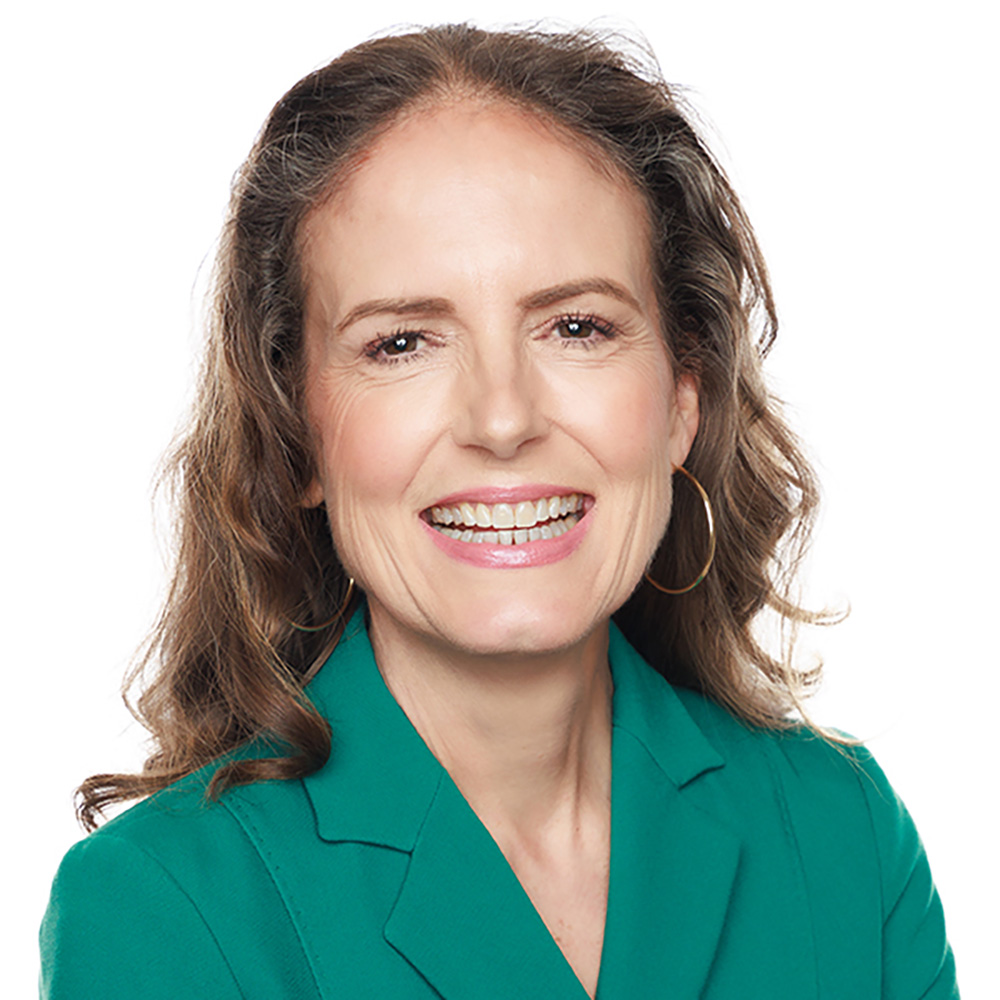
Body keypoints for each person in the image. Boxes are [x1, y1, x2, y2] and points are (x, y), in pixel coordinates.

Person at [39, 23, 958, 999]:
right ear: (295, 433)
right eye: (402, 342)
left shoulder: (839, 835)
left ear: (682, 394)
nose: (503, 417)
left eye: (576, 326)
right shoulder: (164, 905)